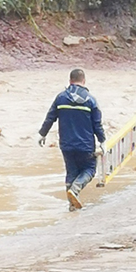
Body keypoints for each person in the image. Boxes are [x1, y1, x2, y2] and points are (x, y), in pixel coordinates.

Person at [39, 69, 106, 211]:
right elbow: (97, 124)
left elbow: (50, 117)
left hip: (66, 145)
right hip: (85, 145)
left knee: (71, 172)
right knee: (89, 169)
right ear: (84, 81)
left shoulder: (61, 98)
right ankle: (75, 190)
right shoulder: (91, 100)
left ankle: (72, 206)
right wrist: (102, 141)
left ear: (70, 81)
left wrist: (42, 134)